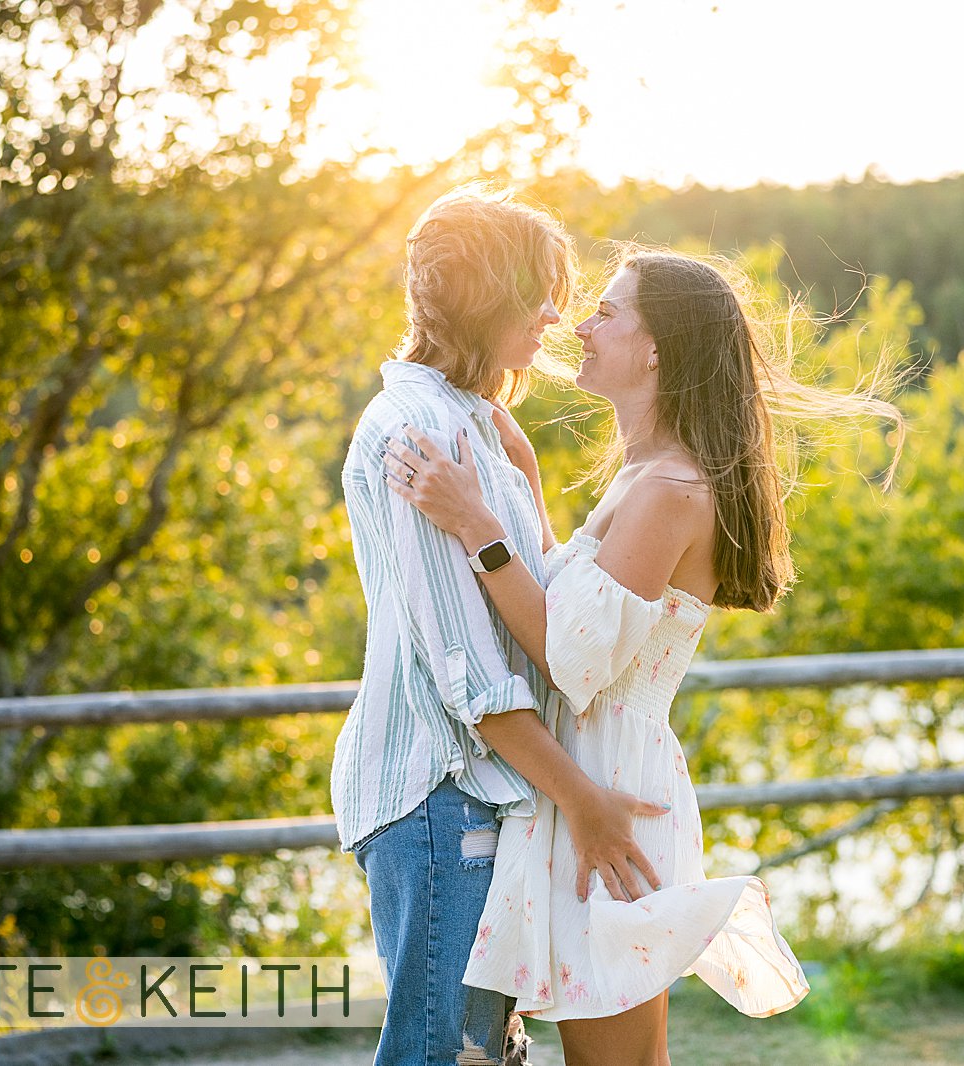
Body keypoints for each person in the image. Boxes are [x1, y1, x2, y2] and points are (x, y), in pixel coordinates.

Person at [384, 247, 903, 1065]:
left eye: (608, 312)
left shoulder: (668, 489)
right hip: (582, 784)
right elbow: (582, 619)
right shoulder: (640, 477)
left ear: (657, 347)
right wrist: (522, 479)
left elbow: (569, 662)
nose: (581, 327)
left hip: (611, 794)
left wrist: (474, 523)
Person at [334, 188, 671, 1066]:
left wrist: (519, 474)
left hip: (483, 796)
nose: (557, 315)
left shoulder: (478, 427)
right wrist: (585, 801)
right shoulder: (419, 430)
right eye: (538, 294)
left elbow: (547, 622)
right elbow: (469, 679)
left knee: (486, 1057)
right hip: (440, 793)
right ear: (487, 298)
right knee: (441, 1057)